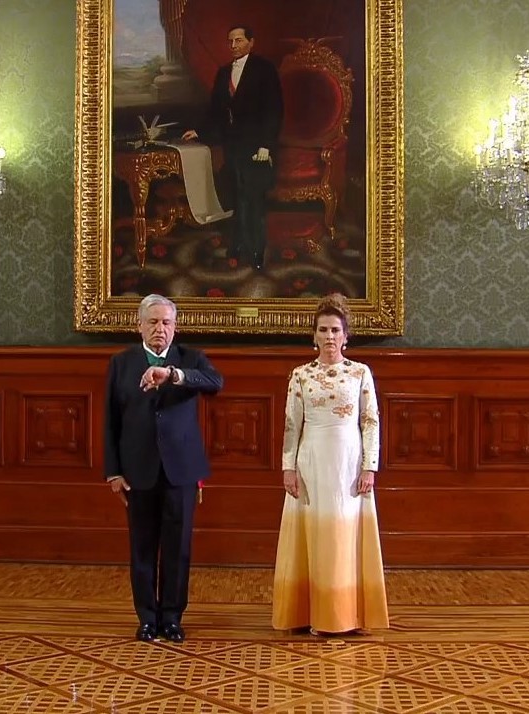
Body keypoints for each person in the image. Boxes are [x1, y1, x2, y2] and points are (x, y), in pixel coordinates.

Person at [105, 294, 224, 643]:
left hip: (181, 473)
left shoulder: (190, 360)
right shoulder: (121, 363)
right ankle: (147, 618)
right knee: (142, 547)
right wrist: (113, 472)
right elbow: (110, 421)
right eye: (153, 322)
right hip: (137, 471)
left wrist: (172, 375)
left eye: (167, 323)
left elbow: (216, 383)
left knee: (177, 548)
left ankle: (172, 617)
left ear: (175, 327)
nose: (160, 329)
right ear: (139, 325)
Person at [272, 293, 389, 635]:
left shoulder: (360, 373)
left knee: (343, 534)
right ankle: (307, 612)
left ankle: (343, 614)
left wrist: (370, 466)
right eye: (322, 330)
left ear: (346, 335)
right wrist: (288, 467)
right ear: (313, 335)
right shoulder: (300, 376)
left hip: (348, 462)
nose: (328, 337)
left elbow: (370, 421)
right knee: (312, 532)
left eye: (335, 330)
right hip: (311, 460)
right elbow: (292, 424)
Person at [181, 24, 283, 270]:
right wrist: (200, 131)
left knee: (254, 200)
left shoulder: (265, 69)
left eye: (239, 40)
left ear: (251, 42)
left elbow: (274, 110)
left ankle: (257, 251)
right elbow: (215, 110)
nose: (234, 45)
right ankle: (237, 246)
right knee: (237, 198)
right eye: (231, 41)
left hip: (257, 147)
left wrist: (265, 146)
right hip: (233, 146)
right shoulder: (223, 72)